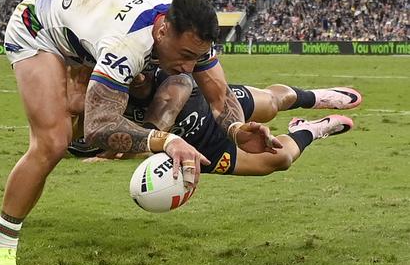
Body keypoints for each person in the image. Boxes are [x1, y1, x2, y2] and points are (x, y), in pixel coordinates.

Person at [0, 0, 281, 265]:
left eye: (197, 57)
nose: (189, 67)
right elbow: (99, 126)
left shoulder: (190, 35)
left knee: (81, 108)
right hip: (38, 27)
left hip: (85, 26)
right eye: (186, 55)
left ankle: (71, 96)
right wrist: (168, 140)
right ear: (162, 30)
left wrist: (237, 130)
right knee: (53, 142)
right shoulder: (127, 44)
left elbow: (219, 98)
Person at [71, 69, 362, 176]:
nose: (138, 75)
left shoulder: (171, 76)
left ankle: (314, 96)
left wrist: (111, 151)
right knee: (280, 159)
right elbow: (79, 138)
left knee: (272, 104)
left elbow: (153, 132)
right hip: (201, 146)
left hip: (215, 108)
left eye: (142, 70)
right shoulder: (107, 91)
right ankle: (310, 129)